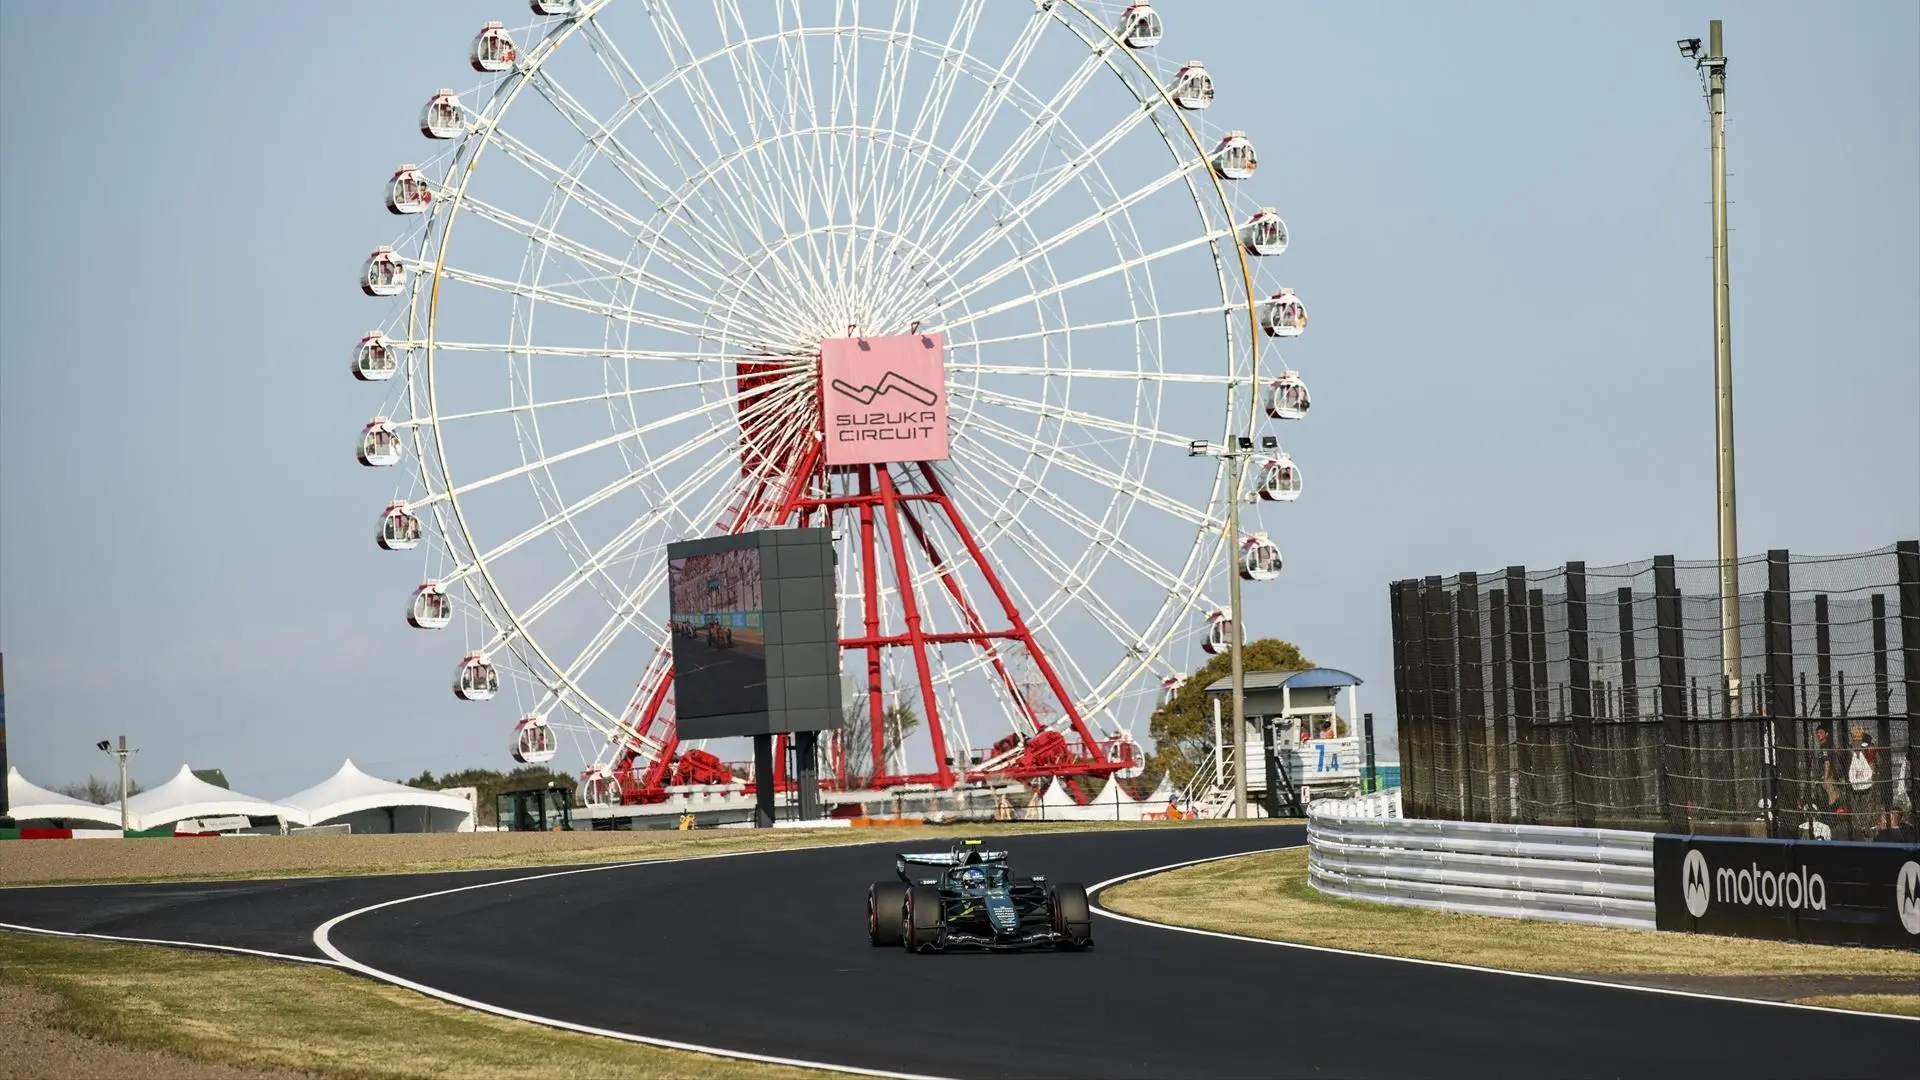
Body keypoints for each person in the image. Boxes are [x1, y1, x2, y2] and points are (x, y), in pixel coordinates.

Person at [1847, 725, 1881, 839]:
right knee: (1868, 802)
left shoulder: (1849, 747)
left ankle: (1857, 826)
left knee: (1855, 803)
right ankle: (1865, 825)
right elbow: (1876, 761)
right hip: (1868, 778)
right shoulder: (1869, 746)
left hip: (1854, 779)